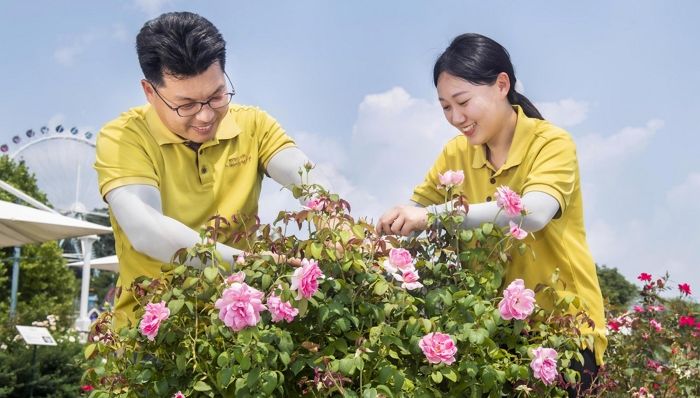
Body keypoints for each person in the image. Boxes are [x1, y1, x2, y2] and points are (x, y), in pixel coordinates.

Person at [376, 33, 605, 394]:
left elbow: (534, 213)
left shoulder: (551, 143)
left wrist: (435, 217)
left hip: (565, 332)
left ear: (502, 85)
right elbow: (417, 210)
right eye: (445, 107)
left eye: (463, 101)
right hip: (492, 331)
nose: (456, 117)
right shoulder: (456, 153)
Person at [94, 12, 327, 330]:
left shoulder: (253, 124)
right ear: (150, 92)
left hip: (239, 335)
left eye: (217, 96)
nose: (205, 116)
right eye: (186, 104)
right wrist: (249, 265)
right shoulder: (123, 138)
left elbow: (306, 178)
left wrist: (334, 222)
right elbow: (146, 229)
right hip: (150, 339)